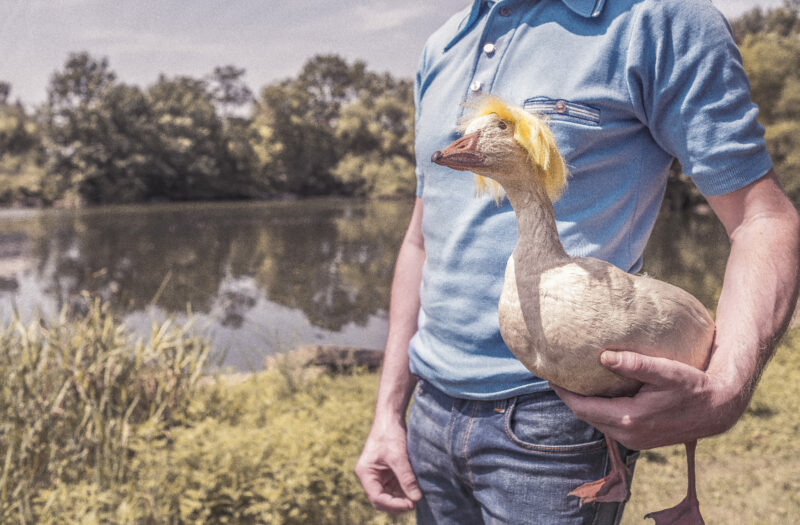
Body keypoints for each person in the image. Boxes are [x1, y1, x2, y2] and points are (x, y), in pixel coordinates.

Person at [355, 0, 800, 523]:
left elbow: (762, 219)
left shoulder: (660, 20)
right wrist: (388, 412)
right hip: (429, 408)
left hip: (561, 418)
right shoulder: (441, 45)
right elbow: (420, 243)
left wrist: (726, 385)